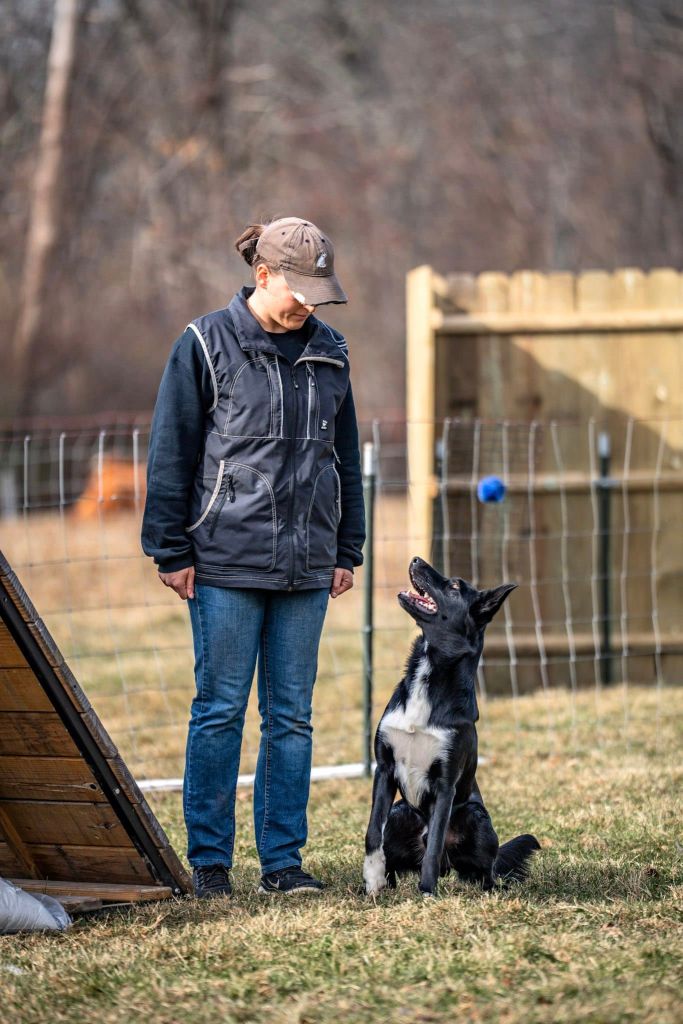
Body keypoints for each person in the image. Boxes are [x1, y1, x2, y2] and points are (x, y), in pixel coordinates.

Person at [141, 217, 365, 898]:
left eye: (317, 293)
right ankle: (210, 864)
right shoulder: (203, 344)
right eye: (297, 290)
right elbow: (171, 450)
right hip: (223, 563)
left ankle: (283, 864)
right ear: (262, 275)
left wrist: (346, 546)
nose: (307, 305)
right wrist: (169, 548)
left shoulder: (331, 352)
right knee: (219, 710)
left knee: (292, 716)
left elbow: (344, 458)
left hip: (306, 564)